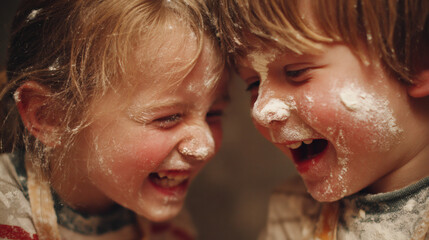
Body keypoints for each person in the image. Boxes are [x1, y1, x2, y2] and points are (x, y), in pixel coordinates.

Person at [0, 0, 229, 239]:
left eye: (213, 113)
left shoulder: (170, 227)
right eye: (169, 117)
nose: (205, 147)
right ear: (51, 116)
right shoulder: (7, 215)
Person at [212, 0, 429, 239]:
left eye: (296, 72)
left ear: (414, 62)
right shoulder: (291, 213)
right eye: (253, 84)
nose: (261, 111)